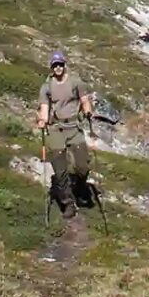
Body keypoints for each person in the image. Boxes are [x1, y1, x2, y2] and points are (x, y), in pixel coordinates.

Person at [36, 49, 95, 227]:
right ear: (51, 67)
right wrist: (42, 120)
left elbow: (84, 100)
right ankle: (68, 203)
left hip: (73, 127)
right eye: (55, 65)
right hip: (56, 128)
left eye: (60, 64)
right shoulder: (46, 87)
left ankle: (80, 186)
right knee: (60, 169)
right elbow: (44, 108)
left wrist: (88, 110)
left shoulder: (76, 82)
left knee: (82, 165)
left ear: (64, 65)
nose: (58, 67)